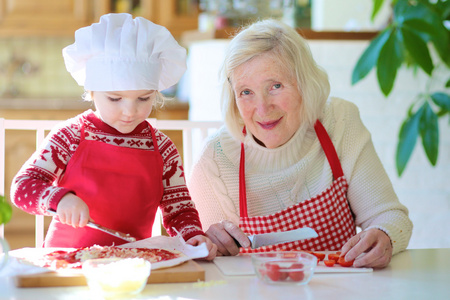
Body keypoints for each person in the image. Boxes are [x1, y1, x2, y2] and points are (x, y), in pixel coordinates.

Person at [187, 19, 412, 268]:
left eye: (275, 86)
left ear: (304, 83)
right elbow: (212, 267)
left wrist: (385, 235)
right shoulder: (215, 161)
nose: (262, 108)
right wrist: (210, 247)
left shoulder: (338, 122)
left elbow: (390, 216)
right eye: (246, 92)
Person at [10, 13, 216, 260]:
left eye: (144, 98)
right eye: (115, 99)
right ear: (92, 91)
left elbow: (179, 208)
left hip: (134, 262)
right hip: (66, 259)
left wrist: (192, 234)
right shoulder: (70, 135)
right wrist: (59, 199)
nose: (130, 111)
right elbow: (23, 187)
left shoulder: (162, 147)